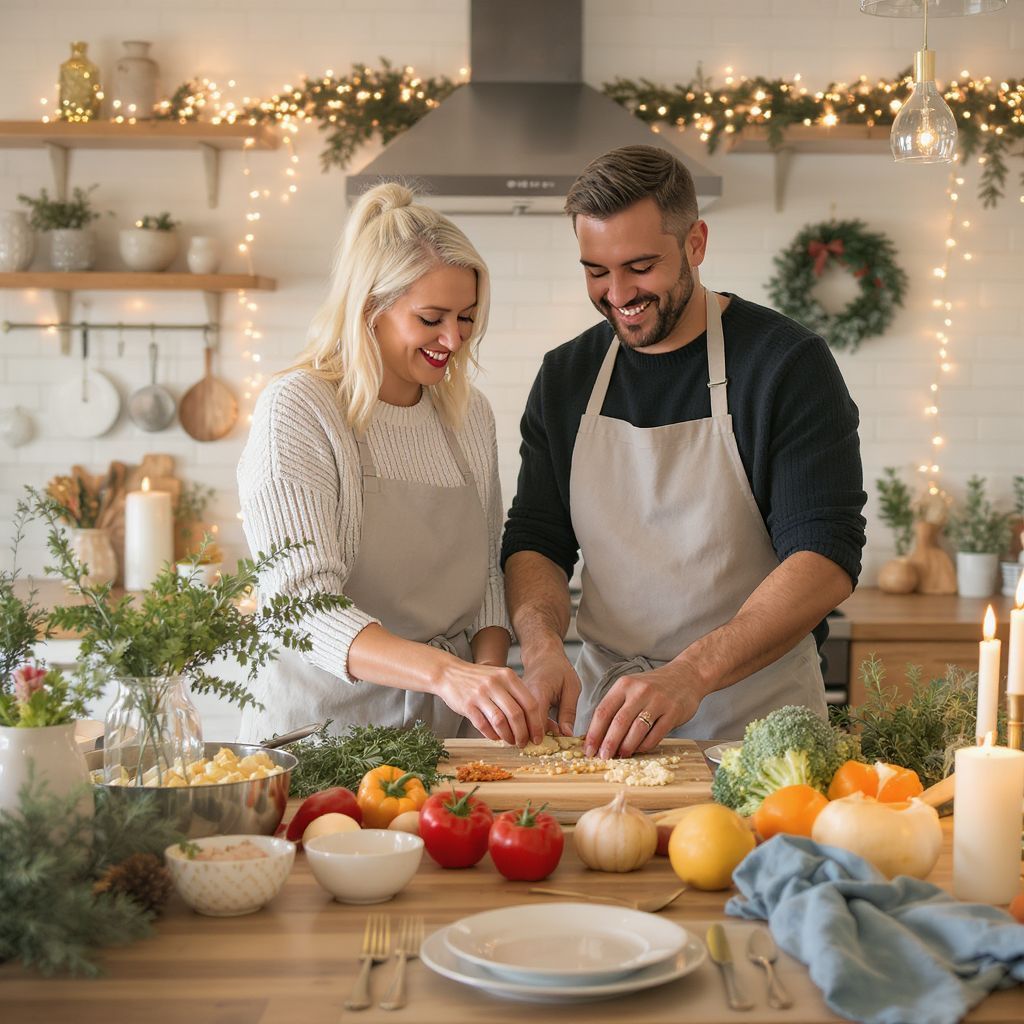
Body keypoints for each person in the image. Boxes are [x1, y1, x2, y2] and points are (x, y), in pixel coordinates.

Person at [502, 145, 866, 760]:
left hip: (756, 720)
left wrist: (691, 673)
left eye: (640, 266)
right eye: (596, 271)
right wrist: (541, 649)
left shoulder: (785, 364)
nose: (618, 293)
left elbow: (824, 554)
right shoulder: (567, 376)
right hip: (609, 720)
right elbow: (537, 537)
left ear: (695, 243)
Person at [237, 182, 543, 746]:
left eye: (467, 317)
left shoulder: (468, 413)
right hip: (323, 737)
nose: (453, 339)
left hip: (447, 736)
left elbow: (485, 581)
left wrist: (487, 687)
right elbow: (302, 608)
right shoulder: (300, 408)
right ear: (370, 308)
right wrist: (448, 675)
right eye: (431, 318)